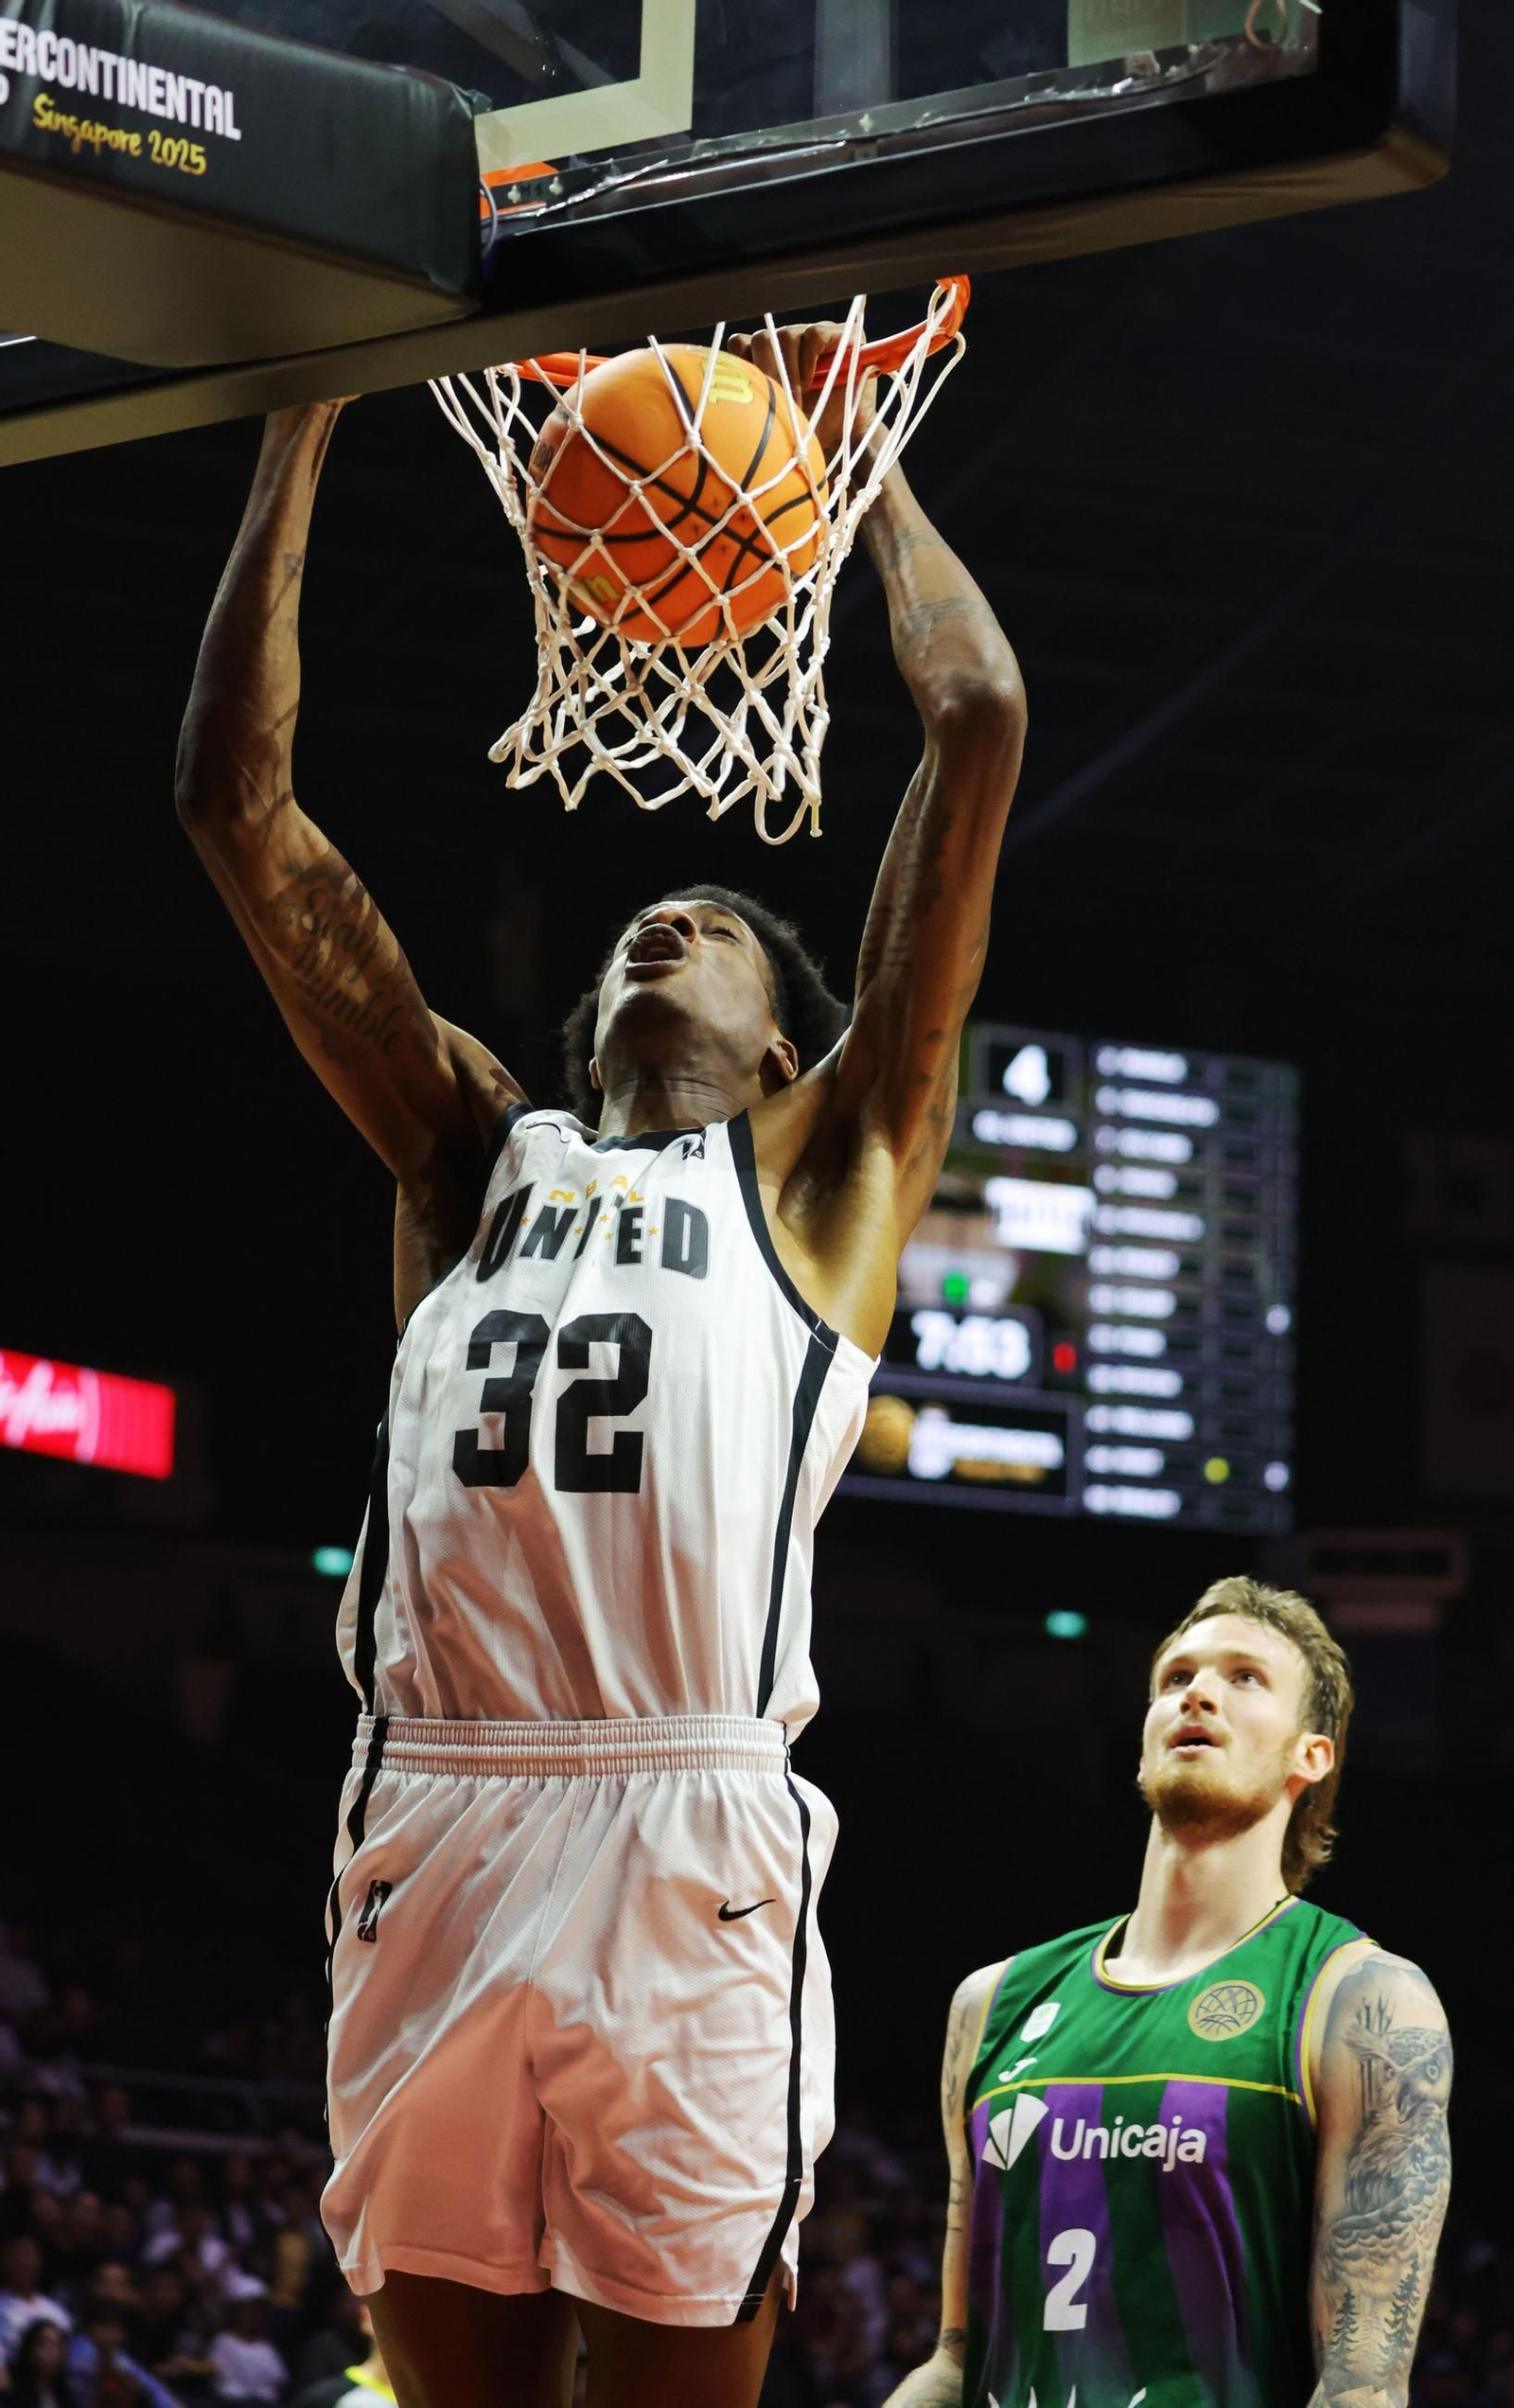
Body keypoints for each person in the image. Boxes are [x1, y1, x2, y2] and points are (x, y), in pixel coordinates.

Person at [175, 315, 1025, 2408]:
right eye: (649, 914)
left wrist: (848, 464)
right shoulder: (471, 1158)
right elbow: (231, 800)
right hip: (438, 1814)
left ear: (780, 1036)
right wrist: (306, 405)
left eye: (718, 924)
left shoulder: (823, 1176)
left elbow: (976, 711)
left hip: (686, 1831)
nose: (668, 922)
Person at [887, 1576, 1453, 2408]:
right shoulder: (993, 2002)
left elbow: (1361, 2388)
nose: (1199, 1694)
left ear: (1312, 1753)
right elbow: (955, 2361)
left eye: (1244, 1678)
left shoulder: (1360, 2001)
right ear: (1146, 1738)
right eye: (1176, 1678)